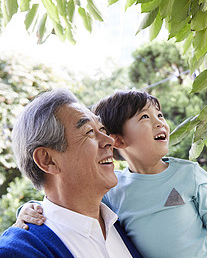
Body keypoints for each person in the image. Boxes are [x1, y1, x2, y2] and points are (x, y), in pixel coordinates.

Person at [17, 90, 207, 258]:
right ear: (119, 141)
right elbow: (66, 207)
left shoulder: (188, 173)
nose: (160, 122)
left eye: (159, 115)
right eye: (145, 117)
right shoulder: (113, 192)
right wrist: (30, 209)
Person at [0, 89, 142, 258]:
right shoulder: (17, 252)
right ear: (48, 160)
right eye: (89, 132)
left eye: (102, 129)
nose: (109, 141)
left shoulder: (125, 221)